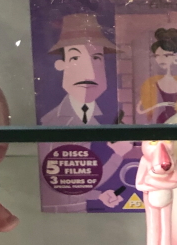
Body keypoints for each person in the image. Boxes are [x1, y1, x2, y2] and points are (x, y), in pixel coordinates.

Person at [39, 12, 126, 212]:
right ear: (61, 65)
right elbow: (68, 182)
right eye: (76, 58)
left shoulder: (101, 116)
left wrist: (99, 195)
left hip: (79, 211)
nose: (89, 72)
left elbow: (79, 182)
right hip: (60, 213)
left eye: (96, 58)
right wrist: (117, 156)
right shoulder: (54, 121)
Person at [137, 28, 177, 124]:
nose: (161, 59)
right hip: (160, 127)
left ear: (175, 57)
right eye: (157, 56)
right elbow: (142, 110)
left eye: (166, 55)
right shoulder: (150, 83)